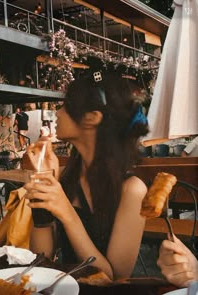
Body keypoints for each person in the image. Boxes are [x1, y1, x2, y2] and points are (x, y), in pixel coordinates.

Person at [24, 71, 149, 280]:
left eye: (65, 105)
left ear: (92, 117)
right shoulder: (68, 177)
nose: (58, 113)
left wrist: (67, 212)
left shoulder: (132, 189)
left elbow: (113, 279)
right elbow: (41, 259)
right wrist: (41, 185)